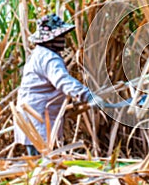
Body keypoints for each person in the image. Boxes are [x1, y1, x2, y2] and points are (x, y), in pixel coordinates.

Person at [14, 13, 104, 156]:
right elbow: (62, 81)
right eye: (61, 36)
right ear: (51, 38)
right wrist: (87, 95)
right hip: (38, 117)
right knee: (42, 162)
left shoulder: (39, 54)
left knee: (41, 162)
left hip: (33, 116)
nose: (63, 39)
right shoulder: (49, 58)